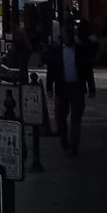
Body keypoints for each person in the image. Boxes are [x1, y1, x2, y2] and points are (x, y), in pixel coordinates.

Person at [44, 25, 97, 154]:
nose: (68, 38)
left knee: (76, 117)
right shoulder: (56, 51)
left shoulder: (80, 51)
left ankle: (73, 144)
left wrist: (91, 88)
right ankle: (64, 138)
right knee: (60, 116)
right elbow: (51, 70)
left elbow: (87, 70)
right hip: (62, 88)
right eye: (66, 35)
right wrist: (49, 87)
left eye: (70, 35)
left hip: (77, 87)